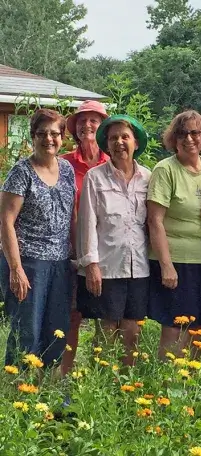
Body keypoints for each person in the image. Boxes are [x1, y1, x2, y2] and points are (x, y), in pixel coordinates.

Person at [0, 108, 76, 367]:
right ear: (33, 136)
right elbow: (6, 222)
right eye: (42, 133)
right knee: (27, 330)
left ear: (63, 137)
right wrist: (16, 269)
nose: (49, 139)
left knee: (56, 329)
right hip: (29, 263)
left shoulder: (66, 169)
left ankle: (47, 389)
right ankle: (17, 388)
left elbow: (71, 216)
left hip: (61, 263)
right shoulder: (21, 172)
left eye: (55, 133)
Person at [76, 114, 151, 366]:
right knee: (106, 330)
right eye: (113, 138)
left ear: (136, 143)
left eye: (125, 137)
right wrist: (91, 265)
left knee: (133, 330)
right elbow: (86, 224)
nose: (120, 142)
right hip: (107, 267)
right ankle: (101, 383)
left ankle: (127, 387)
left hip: (139, 267)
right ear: (106, 145)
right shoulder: (95, 178)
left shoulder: (148, 178)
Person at [147, 110, 201, 360]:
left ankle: (192, 383)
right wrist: (166, 266)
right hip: (175, 261)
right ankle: (166, 384)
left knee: (200, 327)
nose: (189, 139)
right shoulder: (165, 170)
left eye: (194, 132)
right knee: (175, 326)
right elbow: (154, 221)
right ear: (173, 139)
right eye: (182, 133)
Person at [61, 100, 109, 375]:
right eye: (82, 120)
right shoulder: (65, 163)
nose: (87, 125)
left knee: (106, 317)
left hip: (105, 253)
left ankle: (97, 377)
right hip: (70, 252)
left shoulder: (113, 161)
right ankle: (65, 378)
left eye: (93, 120)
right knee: (72, 316)